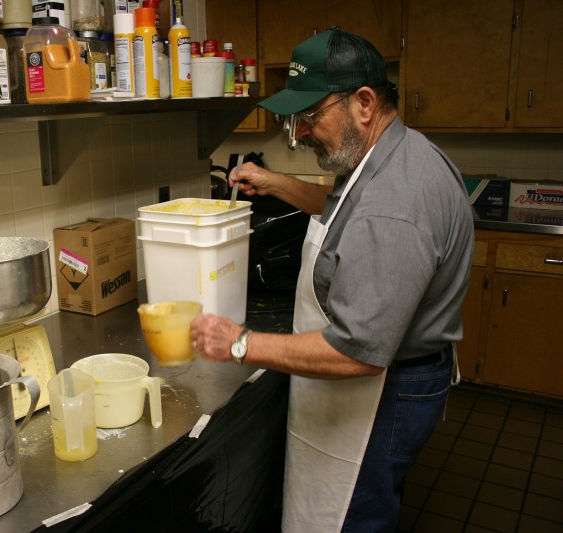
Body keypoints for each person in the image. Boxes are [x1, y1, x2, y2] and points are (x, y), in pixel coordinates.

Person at [189, 28, 474, 532]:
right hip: (405, 374)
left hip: (388, 388)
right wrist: (276, 182)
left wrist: (239, 344)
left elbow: (358, 352)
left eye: (310, 116)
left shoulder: (395, 206)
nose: (298, 134)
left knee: (352, 516)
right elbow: (345, 210)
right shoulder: (392, 156)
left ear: (364, 103)